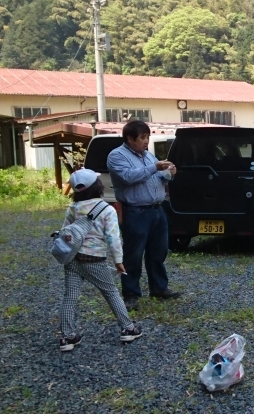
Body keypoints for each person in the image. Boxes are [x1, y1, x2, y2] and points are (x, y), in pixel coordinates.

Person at [58, 169, 142, 351]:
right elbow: (113, 238)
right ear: (97, 186)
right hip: (94, 259)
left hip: (72, 258)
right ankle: (128, 328)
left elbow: (65, 232)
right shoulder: (107, 209)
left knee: (70, 296)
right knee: (111, 292)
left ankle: (67, 336)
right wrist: (118, 261)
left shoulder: (73, 208)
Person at [107, 120, 180, 311]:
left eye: (148, 137)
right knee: (133, 253)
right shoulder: (117, 156)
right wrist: (155, 168)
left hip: (157, 209)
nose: (146, 141)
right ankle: (130, 294)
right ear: (130, 139)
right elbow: (128, 177)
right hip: (135, 211)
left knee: (158, 251)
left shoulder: (148, 156)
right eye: (142, 137)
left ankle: (159, 288)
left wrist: (169, 173)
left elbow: (158, 177)